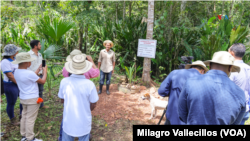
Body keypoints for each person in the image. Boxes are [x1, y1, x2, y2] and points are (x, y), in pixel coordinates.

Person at [178, 51, 246, 125]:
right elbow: (236, 123)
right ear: (230, 68)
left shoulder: (190, 82)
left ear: (210, 66)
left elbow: (182, 113)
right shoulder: (240, 93)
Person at [58, 49, 99, 141]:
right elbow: (93, 103)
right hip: (84, 123)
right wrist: (84, 109)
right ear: (85, 67)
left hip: (68, 121)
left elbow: (62, 100)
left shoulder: (64, 82)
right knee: (84, 137)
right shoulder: (89, 84)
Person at [158, 61, 208, 125]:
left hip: (172, 118)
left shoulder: (174, 73)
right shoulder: (203, 80)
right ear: (202, 71)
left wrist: (173, 93)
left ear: (191, 67)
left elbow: (161, 91)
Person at [13, 52, 47, 141]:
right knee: (30, 118)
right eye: (30, 61)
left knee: (24, 116)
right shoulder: (28, 73)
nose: (31, 63)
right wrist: (45, 71)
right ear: (26, 63)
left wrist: (38, 70)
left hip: (23, 97)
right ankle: (30, 138)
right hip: (32, 98)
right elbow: (42, 81)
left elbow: (30, 77)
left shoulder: (16, 71)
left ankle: (24, 135)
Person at [0, 44, 23, 125]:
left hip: (17, 83)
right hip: (10, 85)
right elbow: (10, 75)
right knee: (11, 102)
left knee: (23, 99)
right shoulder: (5, 62)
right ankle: (12, 119)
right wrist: (19, 83)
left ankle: (22, 115)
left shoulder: (15, 59)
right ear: (13, 53)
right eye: (16, 51)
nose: (18, 52)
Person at [228, 43, 250, 125]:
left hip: (233, 111)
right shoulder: (248, 68)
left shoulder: (231, 69)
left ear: (232, 53)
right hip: (245, 109)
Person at [28, 40, 49, 109]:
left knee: (40, 90)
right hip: (33, 76)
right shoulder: (28, 55)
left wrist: (44, 70)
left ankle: (41, 105)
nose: (41, 46)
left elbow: (42, 62)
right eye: (39, 44)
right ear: (35, 46)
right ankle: (33, 106)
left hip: (40, 75)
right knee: (33, 91)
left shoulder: (39, 54)